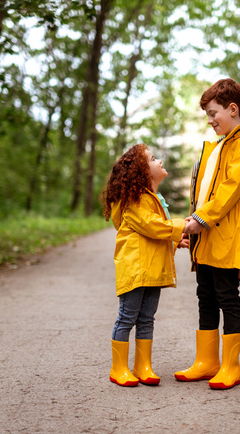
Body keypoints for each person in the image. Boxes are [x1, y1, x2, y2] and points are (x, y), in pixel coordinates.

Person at [175, 78, 240, 390]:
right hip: (207, 231)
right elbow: (206, 190)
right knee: (205, 295)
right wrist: (194, 219)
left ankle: (231, 365)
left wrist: (201, 219)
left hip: (226, 229)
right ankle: (207, 361)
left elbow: (230, 190)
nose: (211, 120)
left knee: (227, 295)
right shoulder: (218, 147)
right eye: (208, 115)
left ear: (233, 109)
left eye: (214, 113)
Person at [101, 144, 188, 387]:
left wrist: (175, 239)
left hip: (152, 269)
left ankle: (143, 365)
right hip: (136, 269)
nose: (159, 160)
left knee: (147, 318)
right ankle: (118, 368)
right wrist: (182, 226)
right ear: (142, 170)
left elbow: (154, 234)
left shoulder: (152, 197)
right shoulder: (134, 199)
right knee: (127, 317)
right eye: (152, 158)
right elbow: (151, 226)